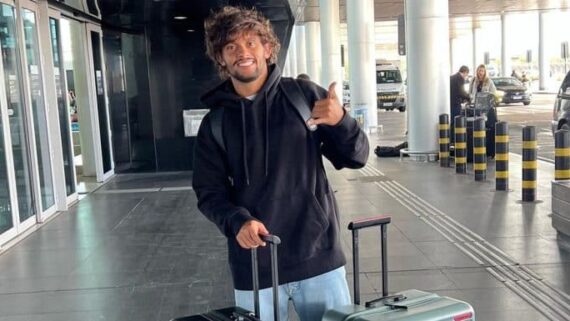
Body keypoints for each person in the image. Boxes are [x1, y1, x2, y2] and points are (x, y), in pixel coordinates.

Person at [193, 6, 369, 321]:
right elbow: (209, 192)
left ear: (268, 48)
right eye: (231, 46)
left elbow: (357, 157)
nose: (242, 52)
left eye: (250, 42)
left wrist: (341, 121)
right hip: (255, 265)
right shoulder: (215, 123)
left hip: (318, 258)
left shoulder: (302, 96)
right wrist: (238, 222)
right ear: (221, 58)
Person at [449, 66, 470, 141]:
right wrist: (469, 98)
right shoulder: (460, 78)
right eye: (466, 75)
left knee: (451, 121)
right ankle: (454, 139)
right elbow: (461, 92)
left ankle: (450, 139)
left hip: (450, 103)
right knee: (456, 122)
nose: (466, 77)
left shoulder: (451, 77)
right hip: (455, 104)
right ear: (465, 72)